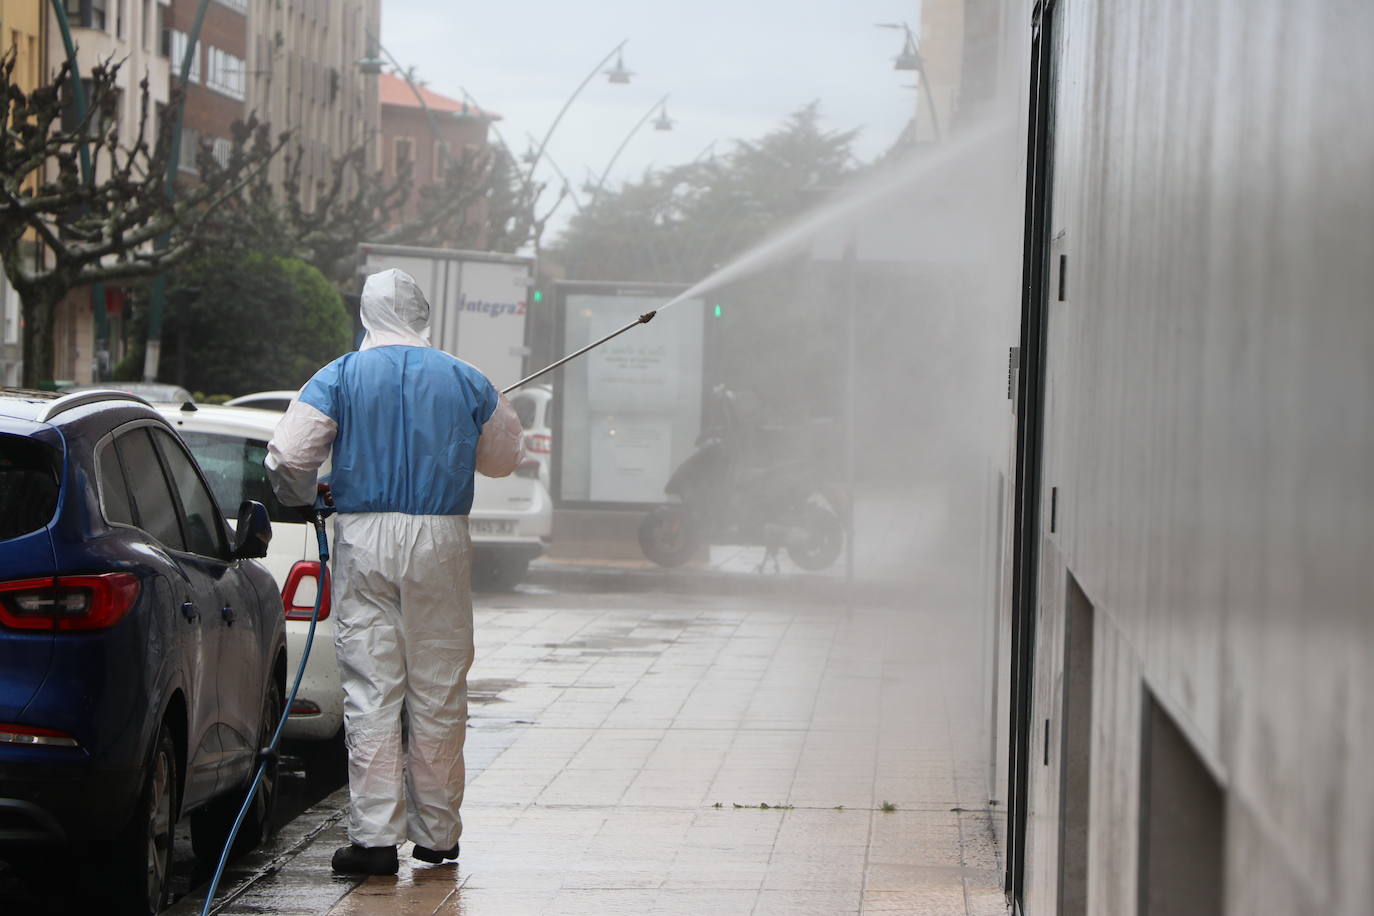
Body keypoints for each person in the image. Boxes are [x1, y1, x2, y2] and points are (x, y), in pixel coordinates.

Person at [265, 268, 523, 875]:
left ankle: (375, 840)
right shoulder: (467, 379)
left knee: (371, 688)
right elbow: (505, 459)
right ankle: (438, 834)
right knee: (438, 686)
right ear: (423, 313)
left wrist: (305, 495)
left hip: (365, 535)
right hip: (442, 539)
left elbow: (288, 455)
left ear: (366, 314)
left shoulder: (340, 376)